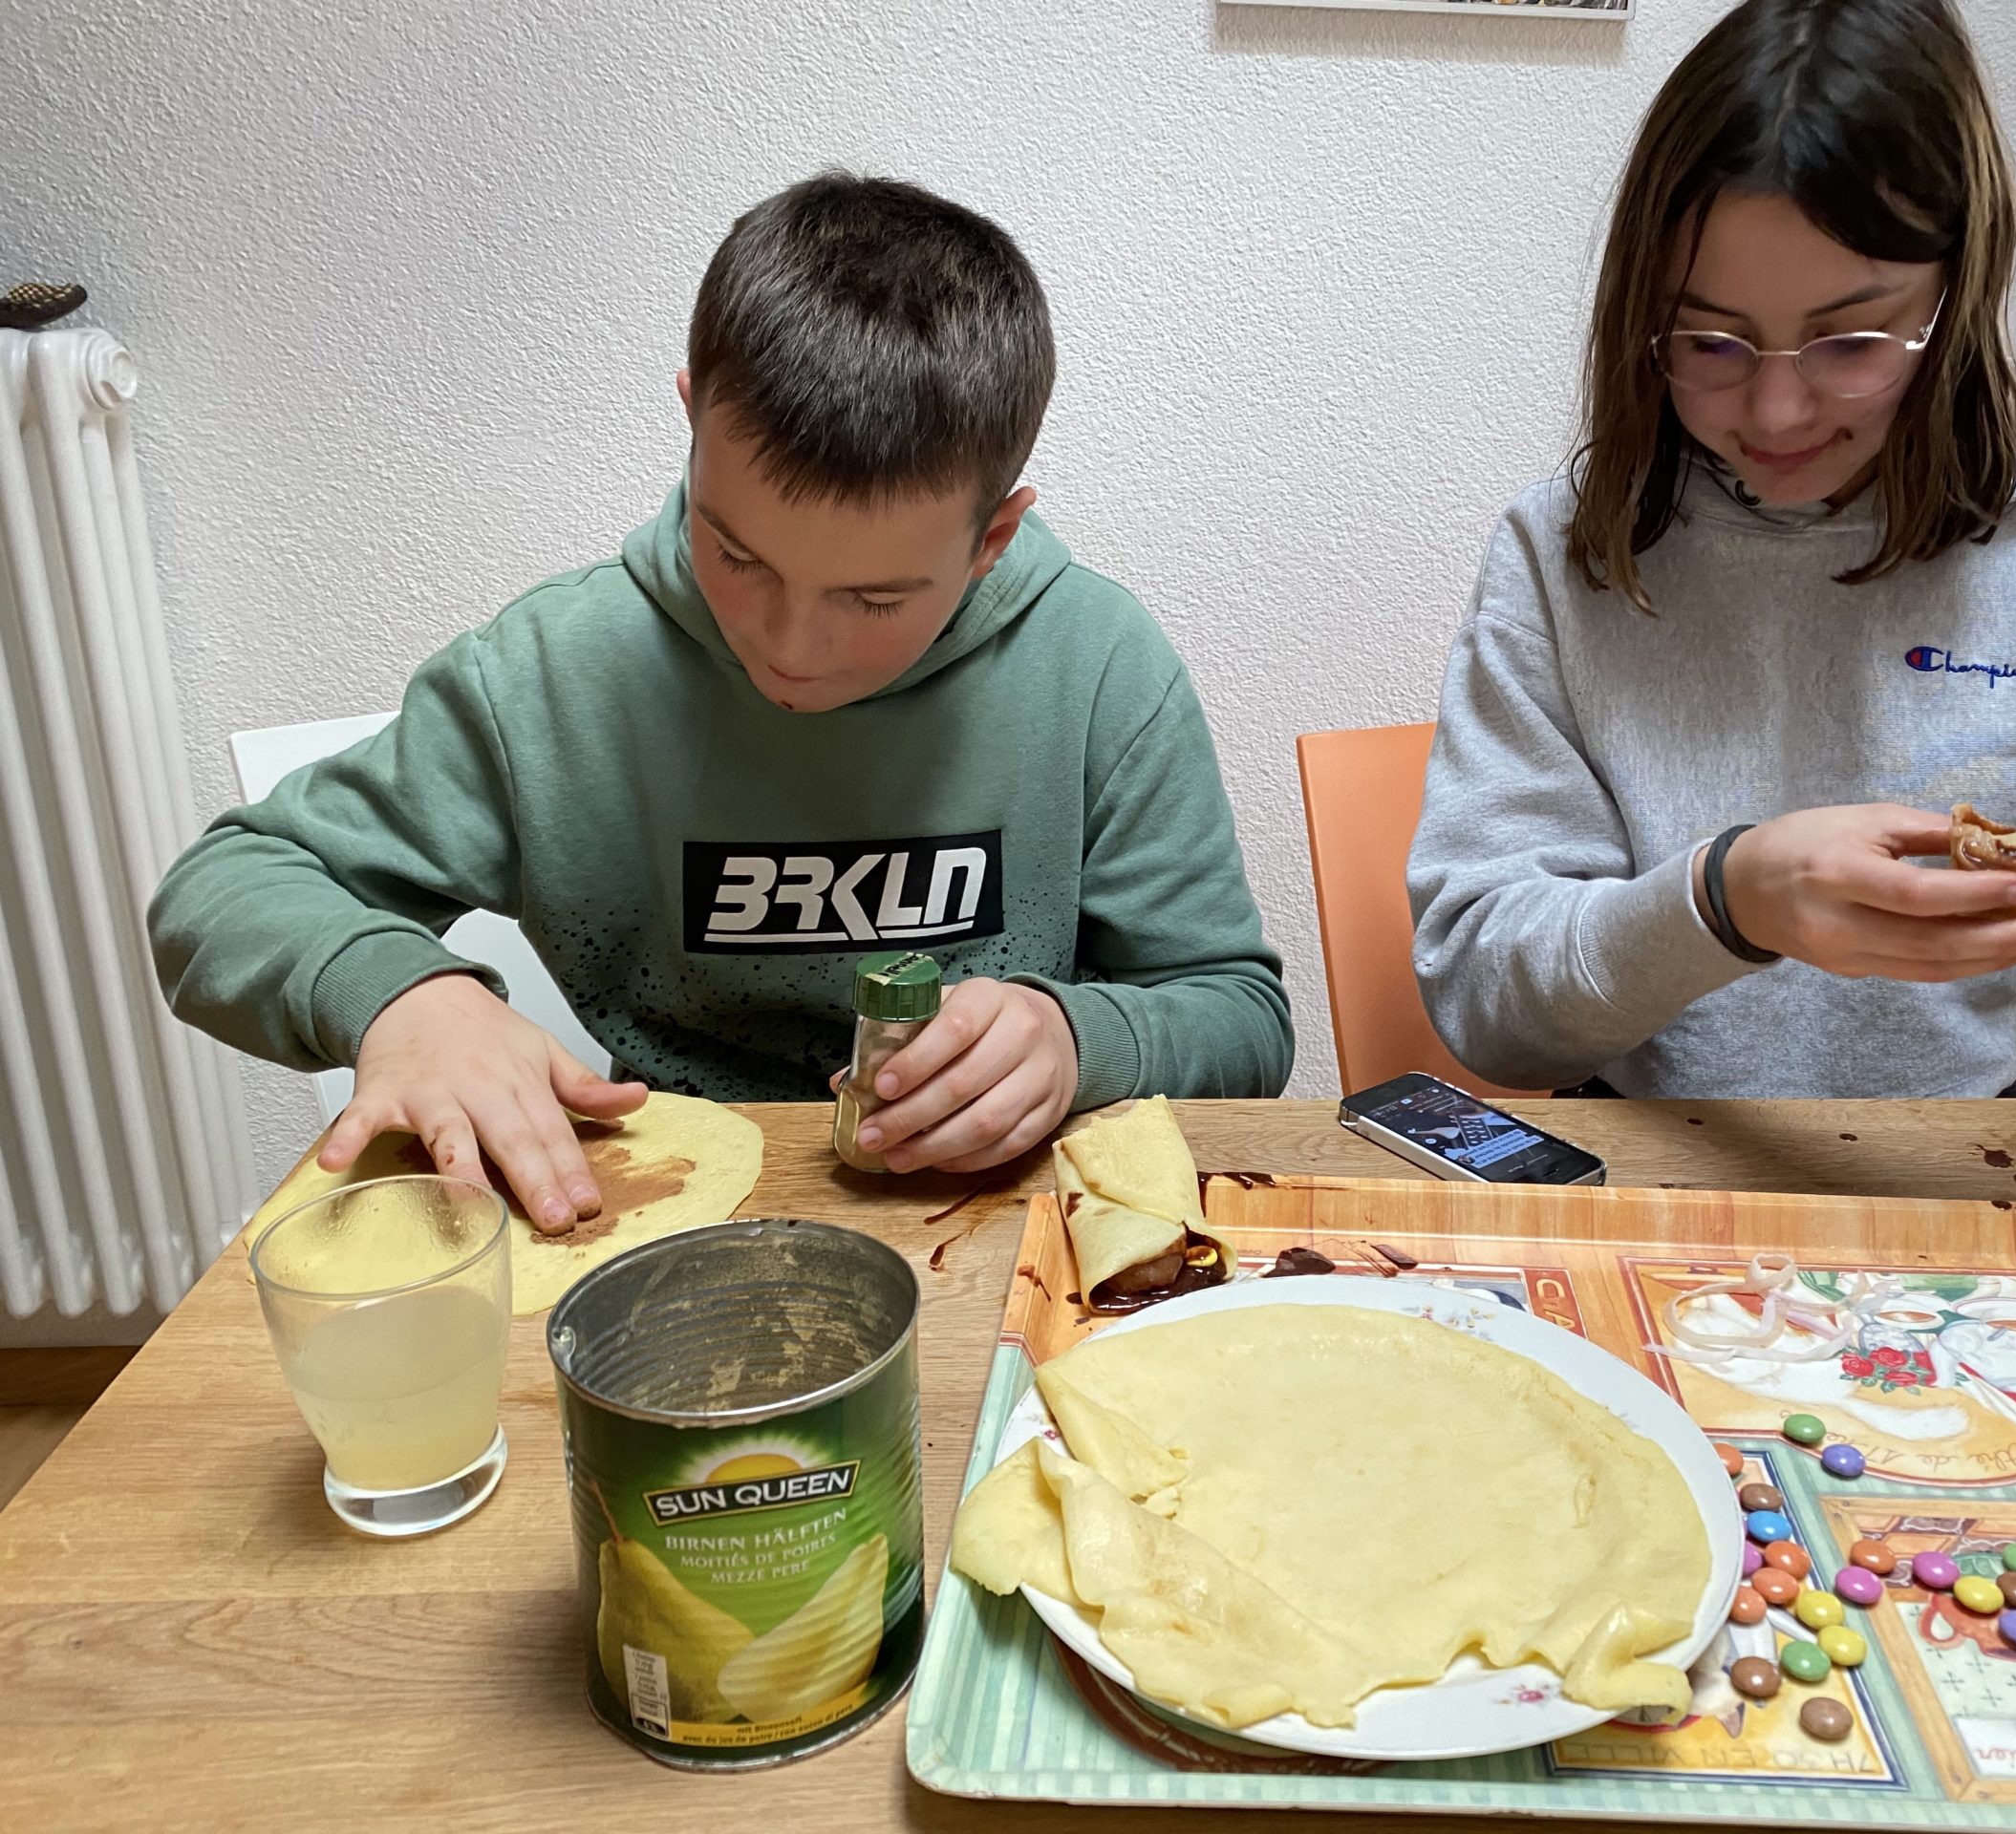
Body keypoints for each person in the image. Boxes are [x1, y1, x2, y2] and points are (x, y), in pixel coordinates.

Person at [152, 174, 1293, 1226]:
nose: (790, 648)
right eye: (737, 556)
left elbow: (1238, 1015)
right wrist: (403, 996)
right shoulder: (556, 673)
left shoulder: (1098, 666)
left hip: (1006, 1232)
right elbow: (224, 886)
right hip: (666, 1216)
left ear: (992, 537)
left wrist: (1078, 1040)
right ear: (693, 420)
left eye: (874, 598)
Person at [1409, 0, 2016, 1099]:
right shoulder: (1561, 553)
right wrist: (1721, 900)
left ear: (1960, 293)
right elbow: (1490, 1011)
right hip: (1646, 1157)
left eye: (1851, 341)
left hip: (1965, 1162)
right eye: (1709, 341)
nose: (1776, 410)